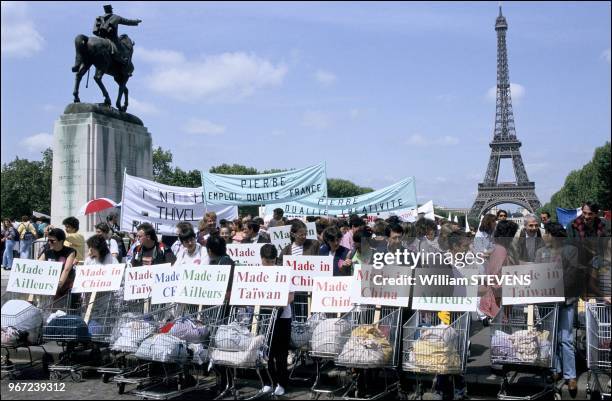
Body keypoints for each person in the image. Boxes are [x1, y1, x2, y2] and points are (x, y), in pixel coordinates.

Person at [535, 222, 580, 392]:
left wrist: (555, 287)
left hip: (565, 299)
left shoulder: (570, 250)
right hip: (548, 301)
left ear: (552, 234)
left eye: (546, 233)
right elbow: (537, 274)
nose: (544, 236)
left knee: (566, 338)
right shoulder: (541, 252)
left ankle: (571, 375)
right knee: (551, 337)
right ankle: (556, 369)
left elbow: (572, 275)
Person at [260, 244, 293, 396]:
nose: (270, 265)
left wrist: (276, 303)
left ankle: (281, 383)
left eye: (272, 262)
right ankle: (268, 382)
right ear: (261, 260)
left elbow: (290, 297)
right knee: (265, 351)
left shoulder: (284, 272)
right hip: (263, 316)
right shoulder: (257, 273)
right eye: (267, 262)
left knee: (280, 353)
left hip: (282, 317)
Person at [478, 220, 519, 319]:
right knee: (500, 327)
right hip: (498, 297)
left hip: (498, 295)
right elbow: (495, 275)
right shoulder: (502, 250)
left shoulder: (499, 248)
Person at [87, 4, 141, 70]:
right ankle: (123, 61)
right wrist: (136, 21)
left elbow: (95, 31)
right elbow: (127, 21)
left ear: (105, 10)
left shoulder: (98, 18)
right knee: (122, 49)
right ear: (111, 10)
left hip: (100, 38)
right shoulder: (115, 17)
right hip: (113, 39)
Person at [38, 228, 77, 299]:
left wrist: (58, 286)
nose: (49, 243)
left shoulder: (70, 252)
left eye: (52, 241)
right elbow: (37, 266)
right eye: (48, 240)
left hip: (64, 286)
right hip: (48, 286)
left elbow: (66, 270)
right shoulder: (47, 253)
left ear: (61, 241)